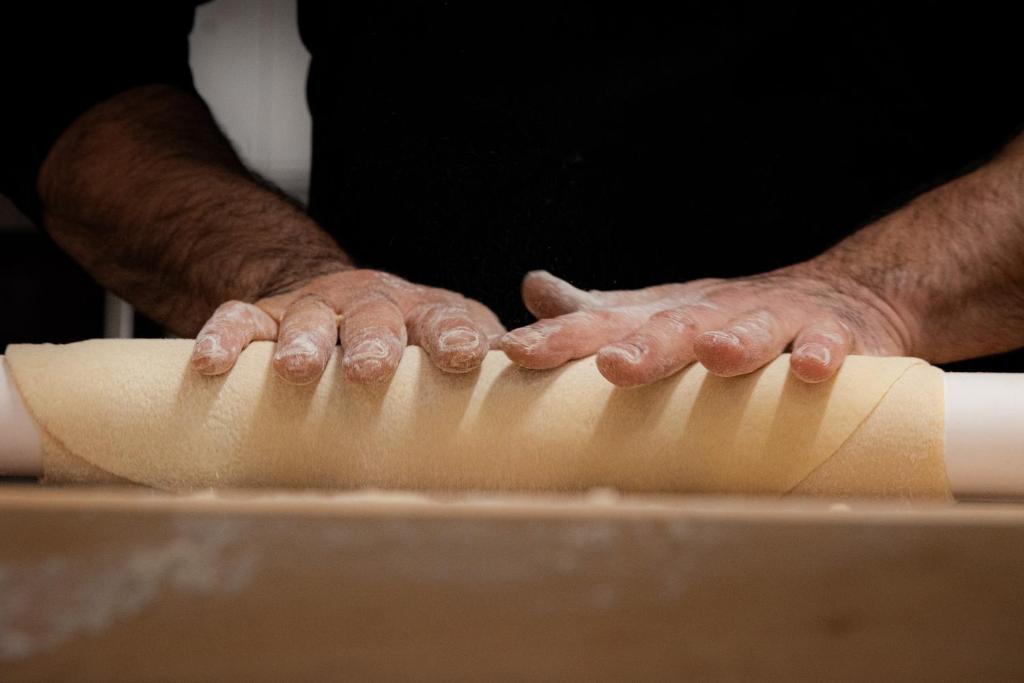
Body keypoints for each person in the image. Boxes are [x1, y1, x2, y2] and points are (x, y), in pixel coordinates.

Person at [3, 2, 1022, 389]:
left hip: (929, 414)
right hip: (375, 412)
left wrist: (878, 293)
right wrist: (283, 275)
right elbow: (63, 72)